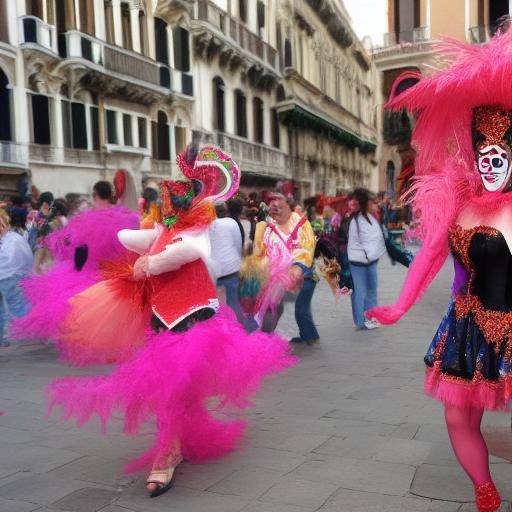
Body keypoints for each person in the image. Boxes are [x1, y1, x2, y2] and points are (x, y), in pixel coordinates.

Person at [45, 146, 296, 497]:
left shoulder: (202, 209)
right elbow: (157, 237)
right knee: (170, 380)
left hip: (191, 306)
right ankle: (178, 439)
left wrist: (151, 262)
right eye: (185, 170)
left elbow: (193, 249)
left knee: (176, 380)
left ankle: (168, 450)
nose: (186, 176)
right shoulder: (170, 207)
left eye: (192, 171)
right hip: (161, 304)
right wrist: (123, 237)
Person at [368, 28, 512, 512]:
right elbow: (429, 257)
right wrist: (399, 306)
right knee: (456, 417)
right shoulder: (457, 202)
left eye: (501, 156)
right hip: (466, 326)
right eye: (484, 155)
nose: (491, 164)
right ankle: (484, 491)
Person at [241, 193, 317, 341]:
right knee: (273, 306)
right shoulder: (267, 227)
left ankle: (266, 338)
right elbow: (260, 251)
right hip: (271, 274)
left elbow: (306, 248)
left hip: (293, 274)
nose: (276, 209)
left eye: (280, 205)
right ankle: (266, 337)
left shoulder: (301, 224)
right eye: (273, 206)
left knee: (276, 305)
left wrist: (298, 267)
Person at [210, 204, 257, 332]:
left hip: (212, 274)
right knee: (235, 308)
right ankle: (245, 336)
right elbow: (238, 245)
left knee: (217, 312)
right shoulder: (231, 223)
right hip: (231, 270)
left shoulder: (202, 226)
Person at [347, 188, 386, 330]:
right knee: (359, 291)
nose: (374, 205)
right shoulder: (357, 220)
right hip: (359, 262)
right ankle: (360, 321)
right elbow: (366, 241)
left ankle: (370, 317)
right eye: (372, 202)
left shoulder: (370, 218)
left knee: (372, 290)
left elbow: (377, 238)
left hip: (370, 261)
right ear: (365, 203)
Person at [0, 209, 33, 347]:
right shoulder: (12, 238)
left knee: (18, 307)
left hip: (8, 278)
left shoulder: (11, 240)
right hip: (8, 277)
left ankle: (43, 325)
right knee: (10, 306)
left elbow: (9, 261)